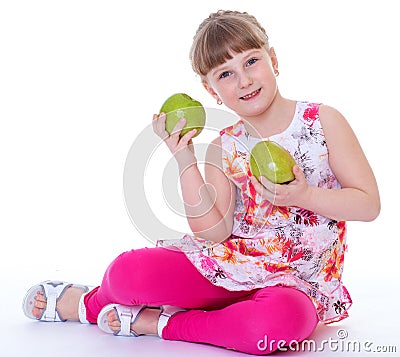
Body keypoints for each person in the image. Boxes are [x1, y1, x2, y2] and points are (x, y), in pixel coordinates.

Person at [22, 10, 380, 355]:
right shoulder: (224, 145)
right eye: (225, 74)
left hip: (297, 285)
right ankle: (89, 302)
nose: (244, 80)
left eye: (251, 61)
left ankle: (161, 324)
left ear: (273, 59)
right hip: (232, 265)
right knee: (127, 272)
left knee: (270, 329)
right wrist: (184, 156)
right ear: (211, 91)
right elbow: (214, 232)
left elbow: (368, 204)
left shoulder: (323, 121)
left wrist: (305, 194)